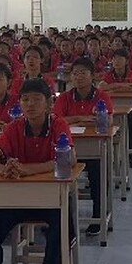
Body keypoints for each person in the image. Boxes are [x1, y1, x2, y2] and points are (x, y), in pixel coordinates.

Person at [0, 78, 76, 264]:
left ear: (49, 103)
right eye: (25, 99)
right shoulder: (14, 127)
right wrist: (2, 170)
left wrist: (29, 170)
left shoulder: (58, 124)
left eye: (37, 99)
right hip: (16, 198)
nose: (30, 104)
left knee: (62, 227)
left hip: (50, 199)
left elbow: (69, 160)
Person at [54, 58, 113, 236]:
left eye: (83, 73)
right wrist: (81, 118)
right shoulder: (64, 97)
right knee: (58, 172)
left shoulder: (101, 96)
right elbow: (56, 120)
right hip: (67, 149)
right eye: (75, 73)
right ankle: (61, 217)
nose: (78, 77)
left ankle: (98, 215)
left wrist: (72, 119)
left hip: (92, 147)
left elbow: (108, 120)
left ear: (92, 76)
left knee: (98, 171)